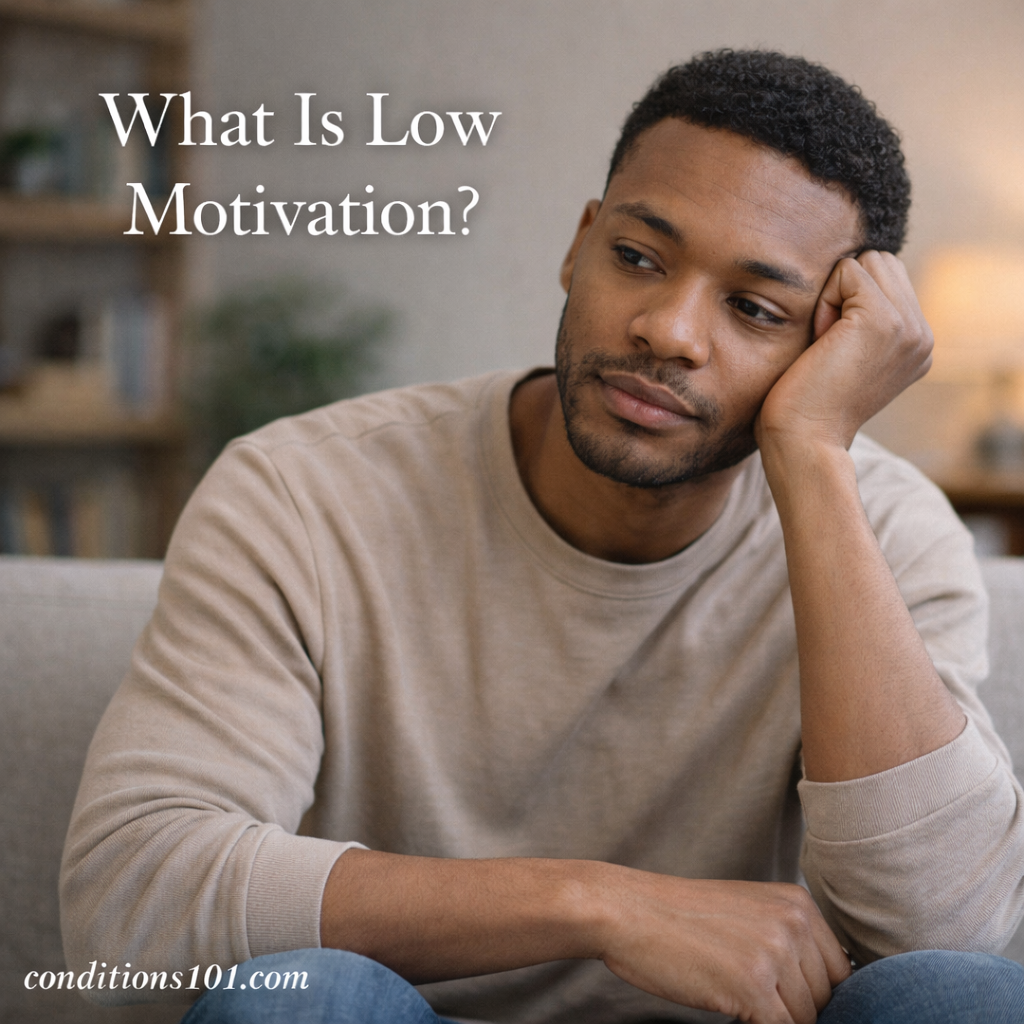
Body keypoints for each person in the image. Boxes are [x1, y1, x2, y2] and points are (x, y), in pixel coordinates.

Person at [61, 50, 1024, 1024]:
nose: (668, 329)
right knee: (296, 1001)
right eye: (638, 257)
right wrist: (599, 903)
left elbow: (947, 930)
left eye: (753, 308)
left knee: (962, 997)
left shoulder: (885, 530)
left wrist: (813, 454)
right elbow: (126, 902)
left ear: (829, 345)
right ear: (579, 246)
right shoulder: (302, 493)